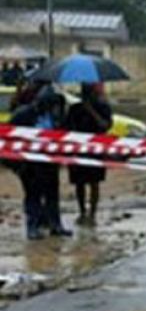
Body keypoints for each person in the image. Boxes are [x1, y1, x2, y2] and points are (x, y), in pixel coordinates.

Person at [9, 84, 70, 239]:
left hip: (50, 162)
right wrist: (17, 165)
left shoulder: (55, 116)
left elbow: (63, 134)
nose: (53, 107)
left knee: (52, 194)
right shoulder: (23, 115)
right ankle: (32, 227)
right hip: (28, 164)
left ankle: (55, 225)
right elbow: (8, 138)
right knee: (33, 195)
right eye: (50, 104)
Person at [62, 82, 114, 226]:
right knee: (79, 183)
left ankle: (93, 213)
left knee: (94, 182)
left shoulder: (103, 107)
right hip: (78, 151)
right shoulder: (74, 109)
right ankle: (82, 211)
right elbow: (66, 129)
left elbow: (105, 126)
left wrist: (91, 111)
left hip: (95, 151)